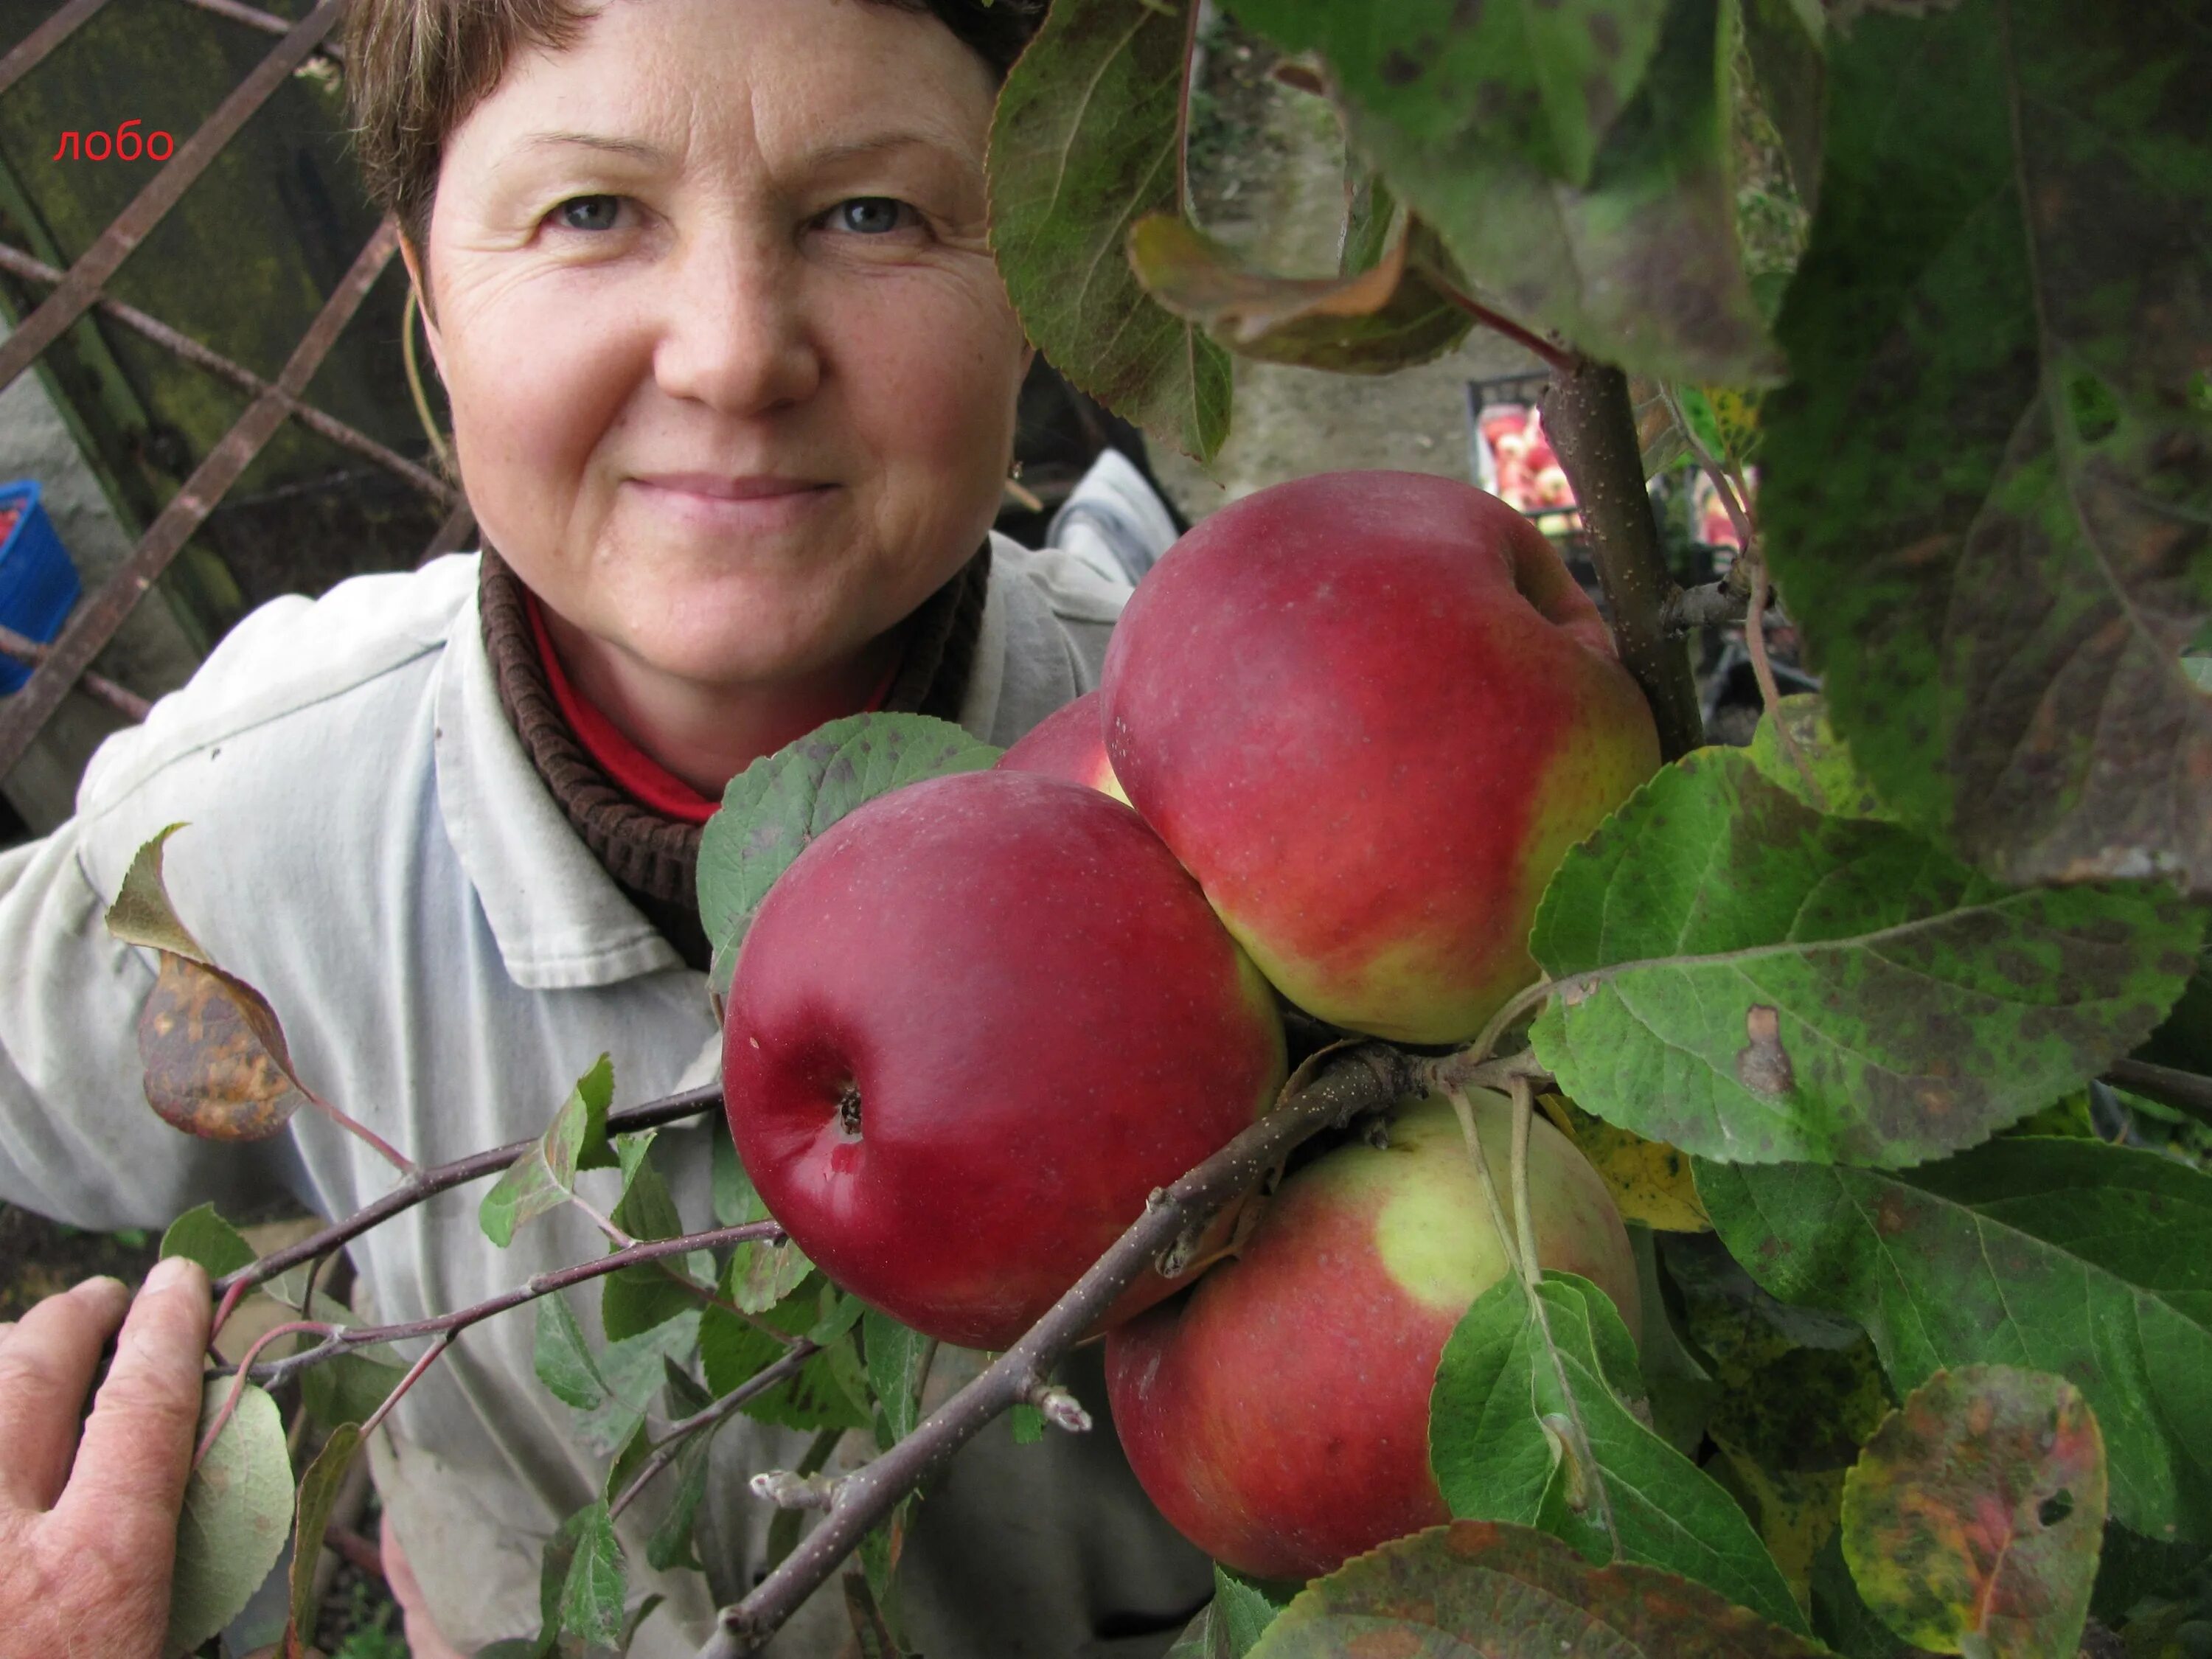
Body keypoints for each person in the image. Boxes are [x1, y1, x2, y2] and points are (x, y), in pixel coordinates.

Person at [0, 0, 1207, 1652]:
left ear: (1034, 292)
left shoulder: (1213, 800)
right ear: (428, 297)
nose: (729, 351)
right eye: (590, 213)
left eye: (873, 213)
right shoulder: (244, 825)